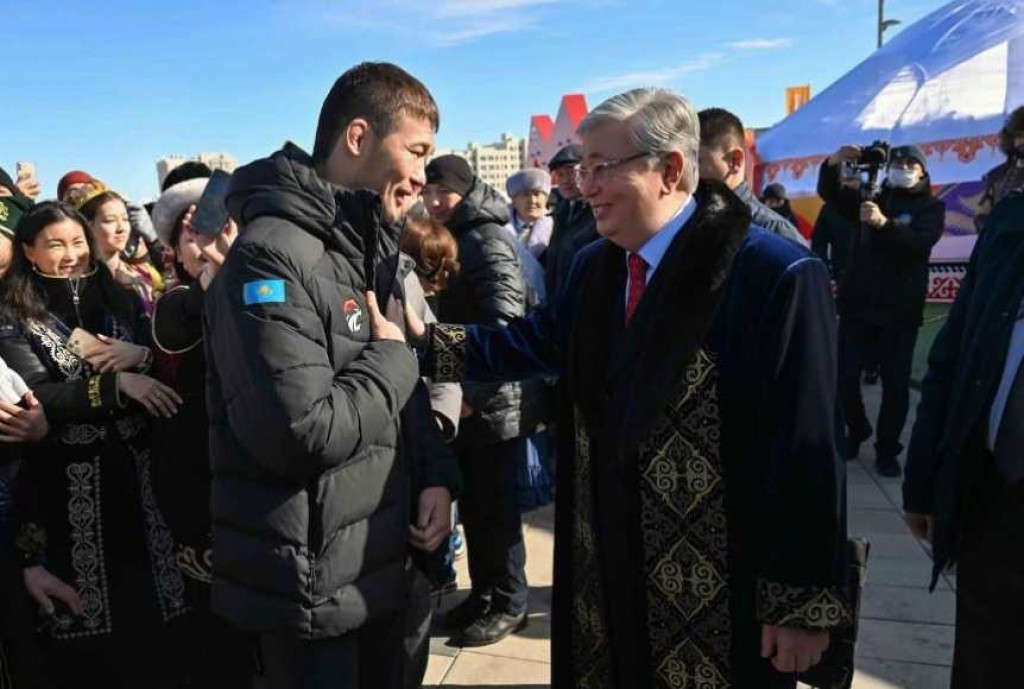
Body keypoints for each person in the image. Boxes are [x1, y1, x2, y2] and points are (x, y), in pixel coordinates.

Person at [407, 87, 847, 687]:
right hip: (604, 574)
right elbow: (531, 343)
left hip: (715, 595)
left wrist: (800, 607)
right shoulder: (596, 265)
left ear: (669, 170)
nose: (583, 186)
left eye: (601, 169)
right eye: (581, 168)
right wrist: (422, 343)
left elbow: (809, 451)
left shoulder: (772, 274)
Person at [203, 62, 458, 689]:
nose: (424, 176)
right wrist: (396, 358)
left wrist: (435, 476)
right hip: (313, 596)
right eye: (416, 152)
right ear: (358, 137)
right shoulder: (271, 255)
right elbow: (298, 432)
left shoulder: (366, 244)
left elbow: (401, 395)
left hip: (384, 566)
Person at [0, 201, 188, 689]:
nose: (72, 255)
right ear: (29, 252)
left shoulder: (121, 296)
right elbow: (33, 393)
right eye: (56, 245)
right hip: (66, 485)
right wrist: (117, 386)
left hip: (140, 476)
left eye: (78, 242)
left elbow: (164, 362)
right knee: (91, 633)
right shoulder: (15, 315)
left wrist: (143, 357)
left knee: (160, 619)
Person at [423, 155, 547, 647]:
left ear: (464, 190)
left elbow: (504, 326)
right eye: (427, 191)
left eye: (442, 192)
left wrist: (468, 395)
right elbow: (458, 325)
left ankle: (510, 603)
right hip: (474, 396)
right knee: (476, 507)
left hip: (497, 400)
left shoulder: (486, 238)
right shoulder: (460, 231)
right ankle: (485, 595)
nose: (433, 201)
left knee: (497, 509)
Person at [903, 190, 1024, 688]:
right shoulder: (1011, 224)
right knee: (985, 663)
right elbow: (952, 358)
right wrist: (925, 479)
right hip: (993, 497)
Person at [148, 177, 251, 689]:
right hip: (196, 480)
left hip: (252, 482)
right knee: (216, 627)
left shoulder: (256, 286)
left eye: (214, 225)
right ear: (172, 248)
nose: (204, 241)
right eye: (191, 234)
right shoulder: (179, 302)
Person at [818, 144, 945, 476]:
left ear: (922, 171)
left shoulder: (932, 207)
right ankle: (856, 428)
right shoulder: (871, 194)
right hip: (858, 306)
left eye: (910, 163)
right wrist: (834, 162)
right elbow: (831, 196)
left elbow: (918, 244)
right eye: (897, 162)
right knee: (844, 377)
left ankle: (887, 449)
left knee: (895, 386)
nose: (902, 167)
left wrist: (883, 224)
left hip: (899, 313)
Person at [697, 107, 806, 245]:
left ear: (734, 161)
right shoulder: (689, 223)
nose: (688, 173)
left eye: (697, 162)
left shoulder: (773, 230)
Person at [67, 181, 165, 315]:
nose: (121, 228)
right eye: (109, 220)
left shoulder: (146, 274)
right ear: (87, 226)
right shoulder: (77, 284)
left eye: (125, 219)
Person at [544, 144, 598, 297]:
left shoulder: (598, 211)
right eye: (560, 175)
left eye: (570, 173)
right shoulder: (561, 213)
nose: (565, 180)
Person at [976, 106, 1024, 231]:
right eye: (1019, 136)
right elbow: (982, 216)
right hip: (1005, 245)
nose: (1022, 141)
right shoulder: (997, 176)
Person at [504, 169, 553, 262]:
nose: (532, 201)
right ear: (513, 200)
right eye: (525, 194)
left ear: (546, 198)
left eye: (537, 194)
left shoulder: (558, 227)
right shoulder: (500, 228)